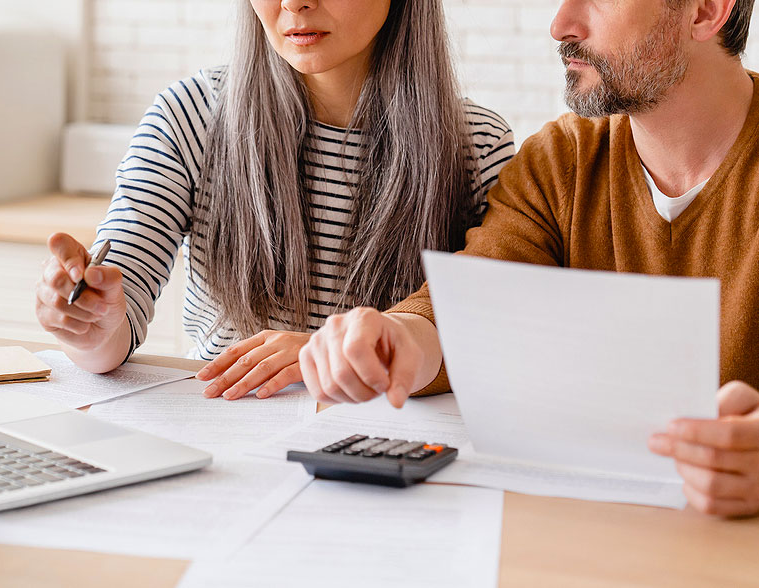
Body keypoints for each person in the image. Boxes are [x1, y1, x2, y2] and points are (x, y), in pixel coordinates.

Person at [300, 0, 759, 518]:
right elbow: (475, 307)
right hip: (594, 531)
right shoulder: (560, 161)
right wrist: (396, 337)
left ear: (704, 10)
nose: (560, 26)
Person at [34, 0, 514, 401]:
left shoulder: (477, 144)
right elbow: (117, 319)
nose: (293, 3)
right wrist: (90, 327)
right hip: (231, 442)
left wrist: (328, 357)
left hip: (394, 450)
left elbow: (487, 343)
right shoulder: (191, 116)